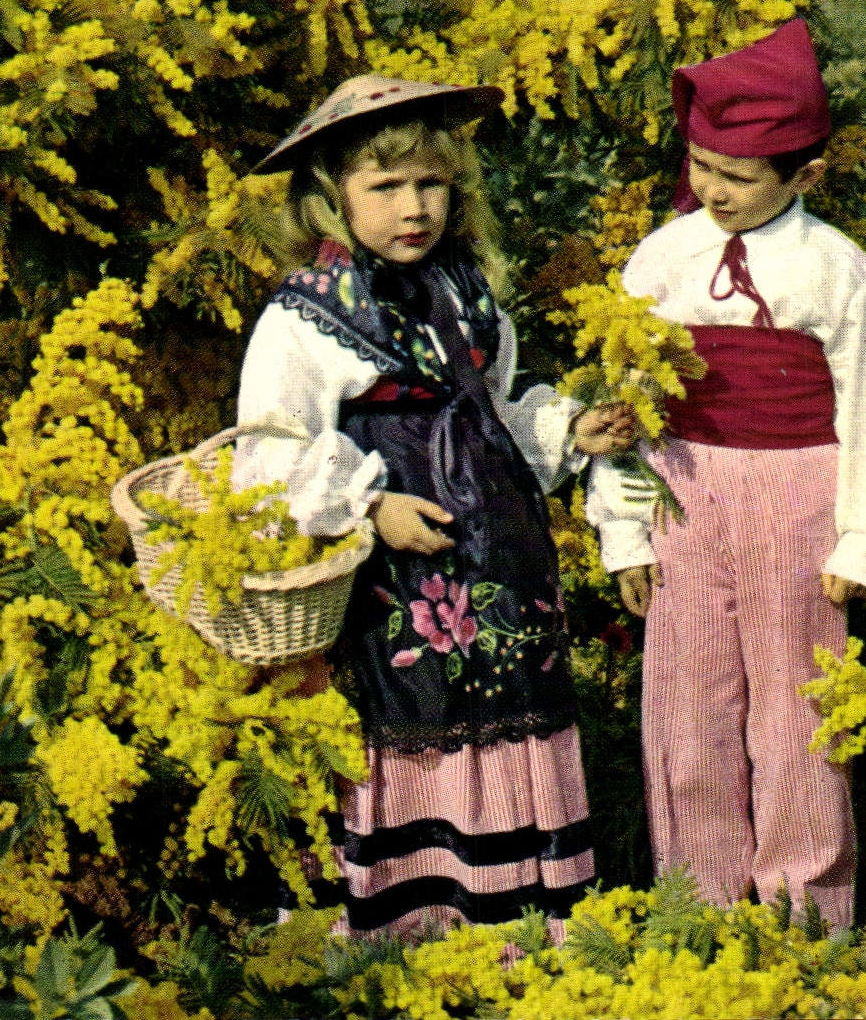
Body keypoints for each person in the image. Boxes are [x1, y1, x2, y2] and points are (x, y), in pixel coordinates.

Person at [234, 74, 637, 939]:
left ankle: (513, 917)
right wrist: (371, 509)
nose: (412, 207)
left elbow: (490, 408)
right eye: (385, 188)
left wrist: (568, 430)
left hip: (499, 548)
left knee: (504, 703)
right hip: (393, 571)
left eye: (431, 184)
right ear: (332, 198)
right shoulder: (307, 315)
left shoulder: (467, 289)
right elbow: (272, 449)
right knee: (412, 712)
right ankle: (406, 924)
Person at [585, 18, 866, 935]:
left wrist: (860, 536)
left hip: (797, 491)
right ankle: (702, 904)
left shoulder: (834, 268)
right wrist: (621, 527)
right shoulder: (662, 257)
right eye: (700, 166)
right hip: (683, 488)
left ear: (803, 176)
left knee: (797, 711)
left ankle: (806, 906)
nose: (712, 191)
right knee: (687, 711)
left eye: (737, 176)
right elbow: (629, 398)